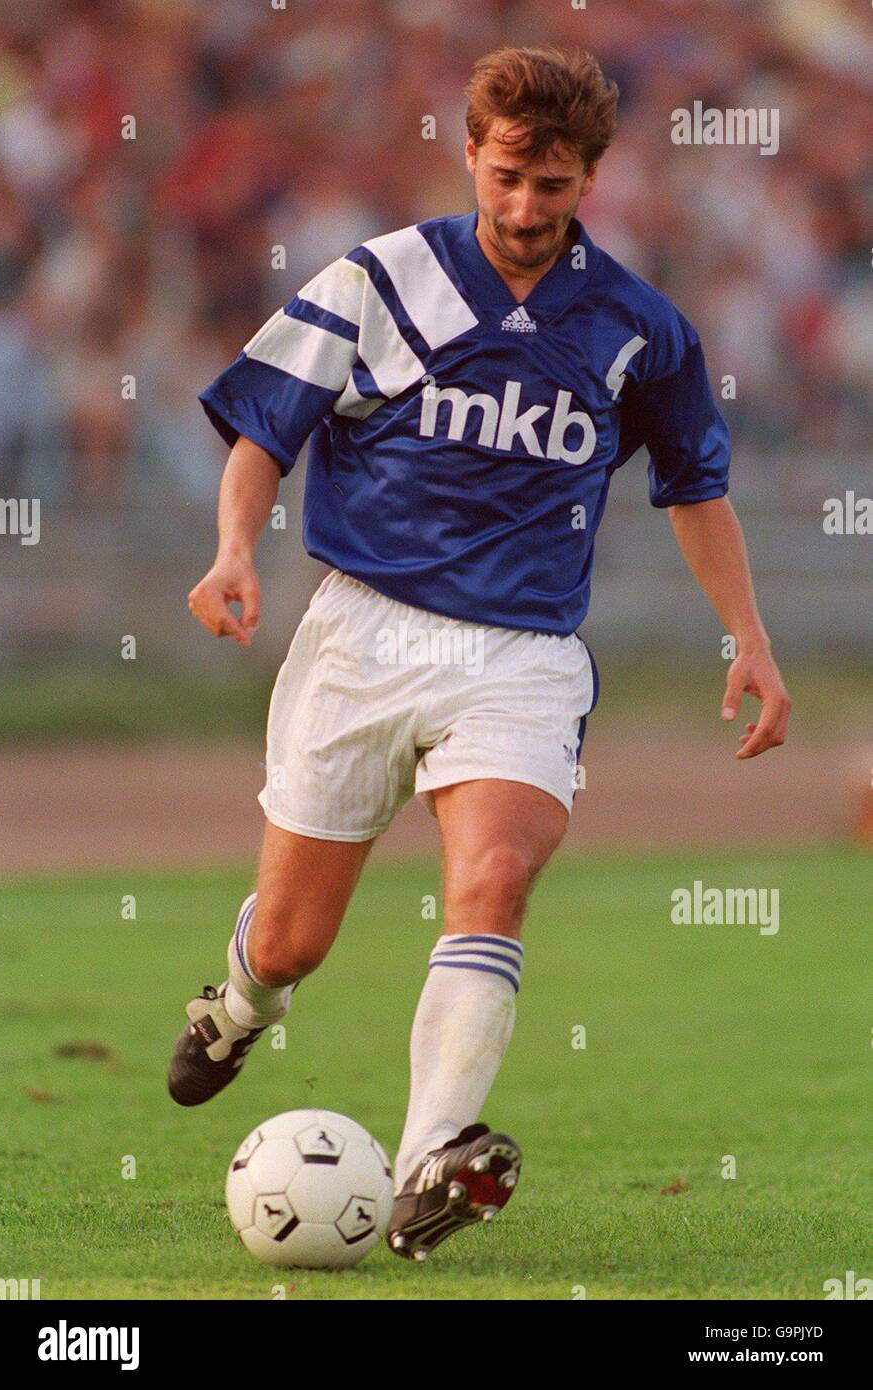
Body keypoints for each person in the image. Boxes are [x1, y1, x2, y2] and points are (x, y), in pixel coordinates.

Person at [167, 46, 791, 1261]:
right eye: (506, 177)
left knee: (496, 872)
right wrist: (236, 548)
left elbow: (695, 487)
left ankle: (428, 1162)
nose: (522, 208)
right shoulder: (377, 282)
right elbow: (261, 429)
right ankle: (242, 1001)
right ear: (470, 152)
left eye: (551, 187)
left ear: (589, 182)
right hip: (360, 636)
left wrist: (751, 636)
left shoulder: (638, 329)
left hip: (523, 654)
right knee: (295, 937)